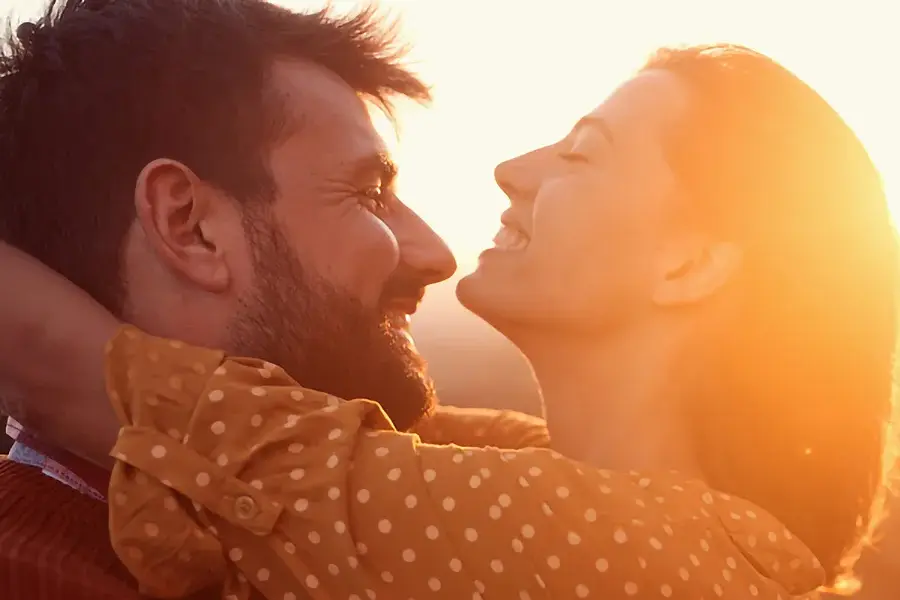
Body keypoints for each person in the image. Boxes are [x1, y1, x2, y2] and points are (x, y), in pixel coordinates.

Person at [4, 40, 895, 600]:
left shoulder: (658, 553)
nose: (508, 169)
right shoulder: (503, 474)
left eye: (583, 153)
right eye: (366, 192)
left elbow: (178, 415)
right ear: (187, 224)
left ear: (691, 262)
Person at [0, 1, 548, 599]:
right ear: (190, 226)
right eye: (368, 194)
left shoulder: (433, 469)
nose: (436, 254)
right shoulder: (35, 573)